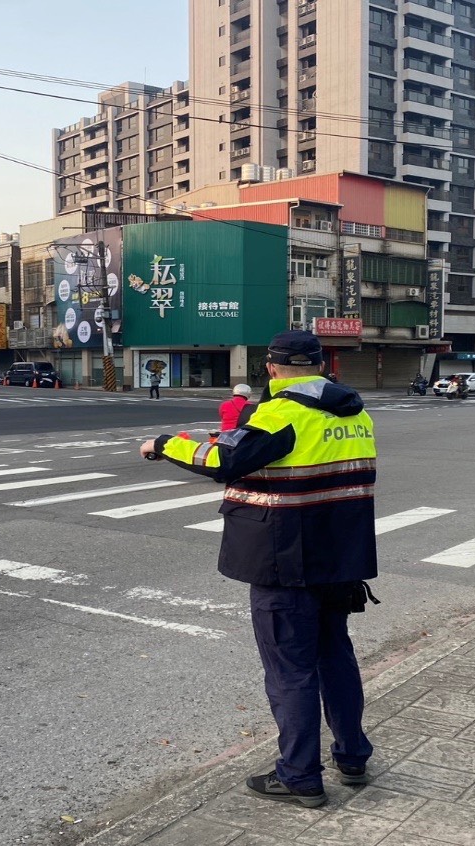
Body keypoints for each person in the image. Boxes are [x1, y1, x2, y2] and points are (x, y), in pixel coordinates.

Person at [138, 330, 378, 808]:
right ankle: (352, 756)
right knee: (336, 658)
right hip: (341, 559)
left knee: (291, 670)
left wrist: (165, 444)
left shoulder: (280, 414)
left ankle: (299, 775)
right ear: (320, 365)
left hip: (286, 560)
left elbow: (225, 459)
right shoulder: (355, 414)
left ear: (271, 369)